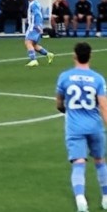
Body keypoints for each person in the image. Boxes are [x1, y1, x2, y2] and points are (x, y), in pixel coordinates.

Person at [55, 42, 107, 212]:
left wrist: (65, 109)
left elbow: (59, 103)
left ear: (74, 56)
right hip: (95, 126)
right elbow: (103, 106)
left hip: (75, 127)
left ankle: (80, 200)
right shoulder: (98, 79)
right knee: (99, 160)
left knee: (78, 162)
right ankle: (106, 198)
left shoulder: (65, 77)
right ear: (90, 56)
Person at [25, 0, 55, 68]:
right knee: (34, 45)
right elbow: (33, 14)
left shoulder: (34, 4)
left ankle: (33, 60)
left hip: (33, 27)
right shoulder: (34, 3)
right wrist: (28, 19)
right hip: (34, 26)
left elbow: (38, 15)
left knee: (28, 42)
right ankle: (49, 54)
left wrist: (38, 26)